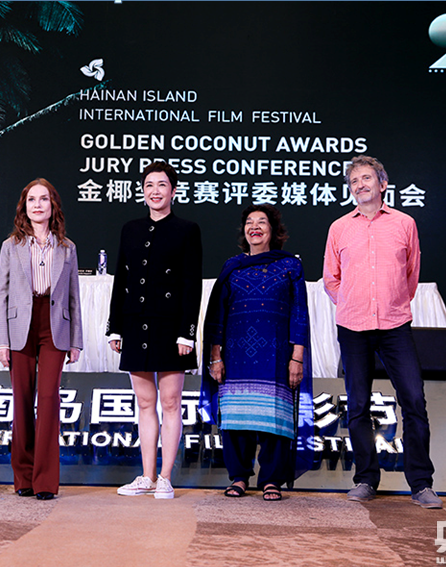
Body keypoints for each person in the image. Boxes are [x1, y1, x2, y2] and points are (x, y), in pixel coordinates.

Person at [323, 155, 441, 509]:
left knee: (414, 401)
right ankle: (366, 479)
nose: (359, 185)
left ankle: (421, 484)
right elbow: (331, 278)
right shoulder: (339, 228)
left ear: (382, 183)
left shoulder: (405, 223)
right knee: (357, 405)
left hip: (394, 326)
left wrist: (392, 303)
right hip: (353, 327)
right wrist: (351, 302)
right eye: (354, 181)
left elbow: (411, 275)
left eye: (366, 178)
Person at [200, 204, 312, 501]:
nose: (255, 227)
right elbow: (217, 317)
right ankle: (239, 477)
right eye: (250, 222)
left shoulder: (290, 266)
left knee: (275, 418)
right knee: (236, 419)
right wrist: (215, 356)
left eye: (262, 222)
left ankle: (272, 479)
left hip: (277, 356)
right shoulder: (232, 267)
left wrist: (297, 357)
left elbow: (299, 313)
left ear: (273, 231)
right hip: (235, 357)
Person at [107, 160, 202, 499]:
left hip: (171, 327)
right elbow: (122, 279)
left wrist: (187, 332)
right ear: (142, 190)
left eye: (162, 185)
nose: (155, 191)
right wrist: (115, 327)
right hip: (136, 323)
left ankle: (165, 477)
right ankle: (146, 476)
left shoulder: (187, 229)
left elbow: (192, 284)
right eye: (149, 185)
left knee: (171, 402)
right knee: (145, 403)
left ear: (173, 191)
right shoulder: (130, 229)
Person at [0, 179, 83, 501]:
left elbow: (73, 297)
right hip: (20, 325)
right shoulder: (11, 246)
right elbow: (1, 296)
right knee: (21, 400)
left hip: (54, 326)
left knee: (48, 400)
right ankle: (24, 476)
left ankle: (45, 481)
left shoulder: (67, 247)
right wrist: (1, 341)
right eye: (31, 199)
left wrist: (76, 341)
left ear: (53, 205)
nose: (37, 205)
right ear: (24, 206)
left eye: (43, 199)